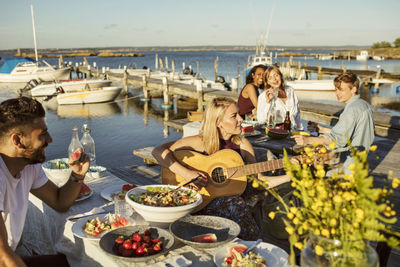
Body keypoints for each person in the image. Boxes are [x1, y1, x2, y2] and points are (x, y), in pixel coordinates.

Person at [152, 97, 291, 240]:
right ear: (218, 122)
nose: (241, 119)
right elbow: (158, 151)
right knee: (235, 204)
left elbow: (259, 181)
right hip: (198, 201)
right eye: (234, 116)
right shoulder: (200, 142)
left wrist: (290, 176)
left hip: (230, 200)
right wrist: (187, 174)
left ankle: (250, 242)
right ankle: (252, 241)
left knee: (236, 202)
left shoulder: (243, 144)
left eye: (239, 114)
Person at [0, 97, 90, 267]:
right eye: (42, 135)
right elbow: (3, 257)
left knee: (74, 262)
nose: (50, 140)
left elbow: (59, 201)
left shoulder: (27, 165)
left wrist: (77, 175)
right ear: (18, 141)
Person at [292, 72, 375, 171]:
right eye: (336, 89)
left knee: (304, 165)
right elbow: (351, 134)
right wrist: (324, 130)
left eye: (341, 90)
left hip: (347, 167)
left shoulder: (351, 110)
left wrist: (307, 140)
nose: (337, 93)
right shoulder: (364, 105)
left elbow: (337, 140)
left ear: (354, 89)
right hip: (362, 163)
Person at [257, 66, 303, 130]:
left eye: (276, 75)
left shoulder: (289, 90)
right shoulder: (262, 96)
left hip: (290, 129)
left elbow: (296, 114)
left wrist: (300, 129)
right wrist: (268, 102)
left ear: (281, 76)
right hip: (272, 130)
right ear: (267, 82)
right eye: (270, 78)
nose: (274, 79)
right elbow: (261, 120)